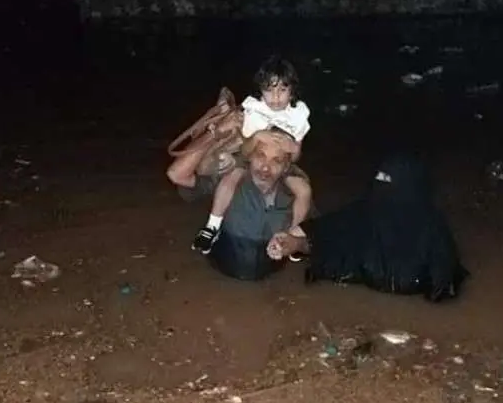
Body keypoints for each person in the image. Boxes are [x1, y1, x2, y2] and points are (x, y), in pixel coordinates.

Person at [266, 154, 469, 303]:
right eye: (379, 179)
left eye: (389, 182)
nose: (381, 188)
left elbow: (444, 280)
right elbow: (325, 233)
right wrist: (293, 243)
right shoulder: (365, 212)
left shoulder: (432, 228)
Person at [191, 55, 312, 256]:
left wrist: (292, 146)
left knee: (304, 189)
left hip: (282, 164)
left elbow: (297, 155)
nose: (275, 97)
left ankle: (293, 235)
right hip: (249, 158)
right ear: (260, 91)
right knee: (230, 178)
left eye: (282, 90)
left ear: (292, 92)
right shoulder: (255, 110)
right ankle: (212, 225)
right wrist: (257, 137)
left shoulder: (298, 114)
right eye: (269, 90)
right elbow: (245, 149)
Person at [166, 128, 310, 281]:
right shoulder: (229, 182)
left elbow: (314, 239)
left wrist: (294, 244)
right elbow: (177, 174)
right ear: (250, 157)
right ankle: (211, 229)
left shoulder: (296, 193)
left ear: (286, 167)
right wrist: (214, 132)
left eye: (277, 160)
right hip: (216, 278)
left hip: (272, 279)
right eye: (261, 155)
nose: (266, 167)